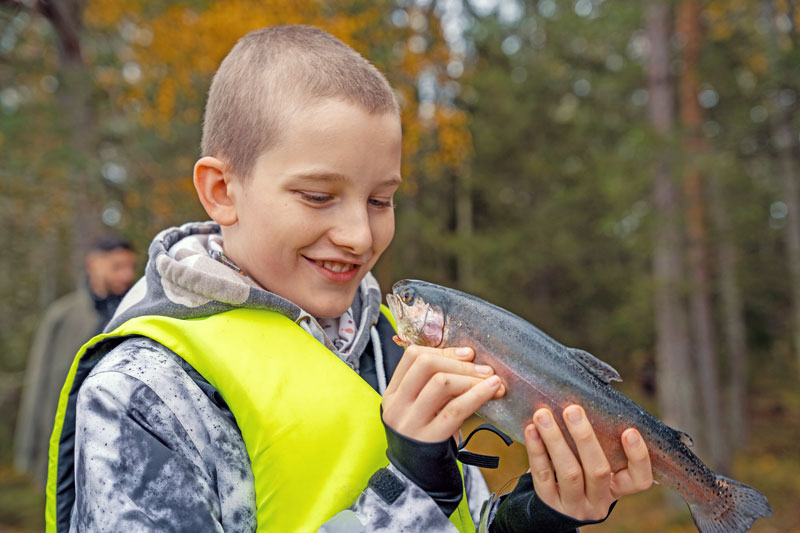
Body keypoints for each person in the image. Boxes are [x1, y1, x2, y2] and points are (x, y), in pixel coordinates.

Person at [47, 26, 653, 532]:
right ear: (222, 191)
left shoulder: (397, 345)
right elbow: (422, 506)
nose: (360, 237)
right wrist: (412, 490)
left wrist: (536, 517)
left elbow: (462, 518)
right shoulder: (146, 393)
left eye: (381, 201)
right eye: (318, 196)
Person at [14, 235, 137, 489]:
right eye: (117, 266)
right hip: (70, 439)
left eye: (131, 267)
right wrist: (31, 448)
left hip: (120, 442)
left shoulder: (134, 314)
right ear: (93, 264)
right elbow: (40, 384)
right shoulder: (63, 316)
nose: (127, 275)